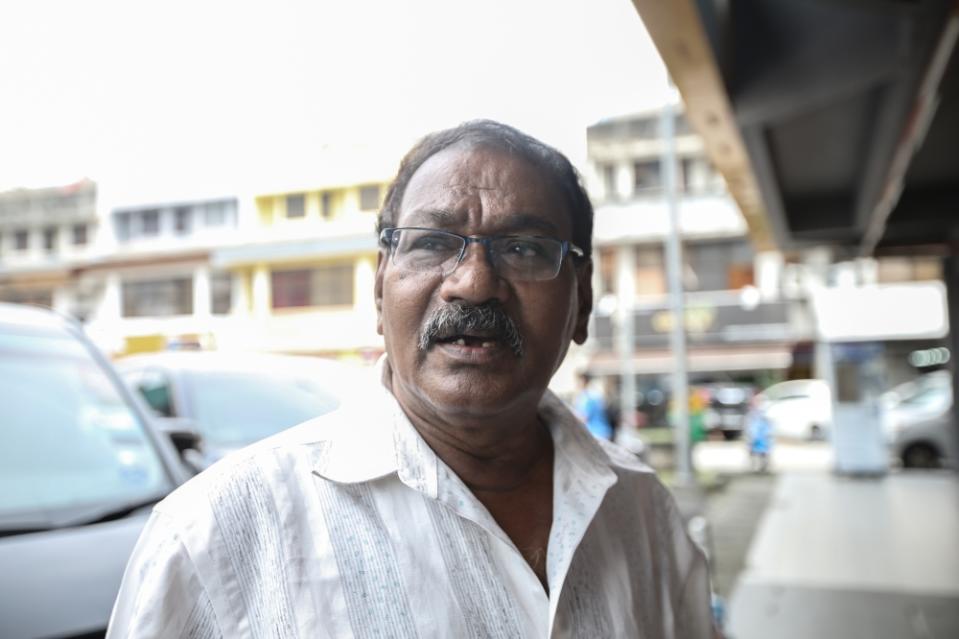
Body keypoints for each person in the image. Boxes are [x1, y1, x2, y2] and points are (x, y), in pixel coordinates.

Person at [107, 120, 719, 638]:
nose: (473, 282)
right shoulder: (213, 537)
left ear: (581, 301)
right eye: (430, 244)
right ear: (380, 289)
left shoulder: (642, 513)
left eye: (526, 249)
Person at [574, 372, 614, 440]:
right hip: (601, 432)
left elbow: (584, 418)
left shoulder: (587, 397)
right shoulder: (593, 394)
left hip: (596, 433)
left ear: (583, 381)